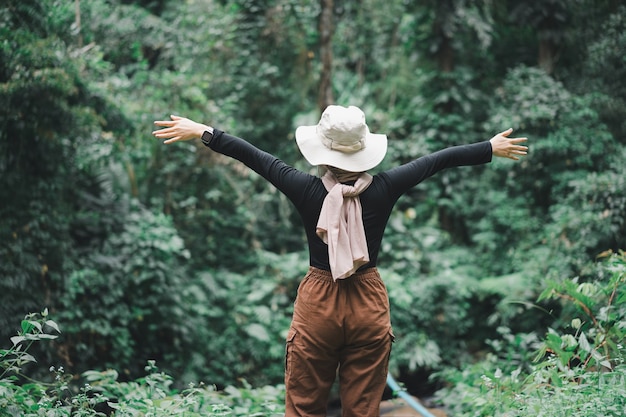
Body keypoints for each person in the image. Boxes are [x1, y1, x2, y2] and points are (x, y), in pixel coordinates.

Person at [152, 105, 528, 417]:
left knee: (303, 406)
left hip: (319, 300)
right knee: (363, 409)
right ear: (364, 149)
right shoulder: (385, 187)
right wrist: (489, 147)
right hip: (368, 301)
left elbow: (253, 157)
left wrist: (203, 131)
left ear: (322, 152)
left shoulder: (303, 188)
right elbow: (437, 161)